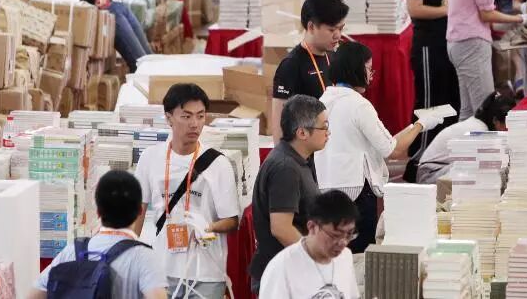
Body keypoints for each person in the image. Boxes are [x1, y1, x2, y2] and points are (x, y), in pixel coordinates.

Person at [315, 41, 442, 253]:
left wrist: (413, 127)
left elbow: (385, 142)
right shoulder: (359, 105)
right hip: (356, 193)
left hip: (326, 189)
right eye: (368, 69)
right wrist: (422, 124)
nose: (371, 75)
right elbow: (393, 150)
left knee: (335, 253)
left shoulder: (323, 100)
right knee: (360, 254)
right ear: (356, 69)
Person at [133, 84, 240, 299]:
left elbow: (232, 220)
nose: (195, 124)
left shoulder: (218, 164)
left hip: (205, 272)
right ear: (169, 118)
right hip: (161, 268)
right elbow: (138, 211)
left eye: (200, 116)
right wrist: (131, 254)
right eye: (186, 116)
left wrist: (208, 227)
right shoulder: (150, 158)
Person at [30, 170, 168, 299]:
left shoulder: (72, 251)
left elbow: (33, 295)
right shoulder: (144, 258)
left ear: (98, 212)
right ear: (139, 211)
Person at [250, 95, 329, 293]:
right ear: (302, 132)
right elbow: (281, 228)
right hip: (283, 278)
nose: (328, 132)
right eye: (324, 127)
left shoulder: (299, 159)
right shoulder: (285, 168)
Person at [271, 0, 349, 143]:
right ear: (311, 27)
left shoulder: (334, 56)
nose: (338, 35)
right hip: (307, 151)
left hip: (334, 147)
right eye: (332, 30)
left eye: (341, 29)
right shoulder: (291, 65)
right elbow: (279, 128)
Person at [258, 190, 360, 299]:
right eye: (335, 235)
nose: (343, 242)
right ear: (312, 227)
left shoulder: (345, 256)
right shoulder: (281, 268)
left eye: (349, 235)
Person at [417, 91, 516, 184]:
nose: (509, 130)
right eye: (508, 125)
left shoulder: (479, 125)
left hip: (440, 169)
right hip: (429, 175)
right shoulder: (479, 131)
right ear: (495, 121)